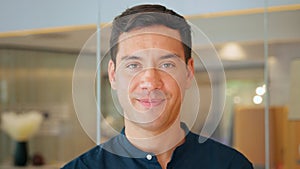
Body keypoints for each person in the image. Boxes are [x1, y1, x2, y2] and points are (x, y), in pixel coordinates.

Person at [62, 4, 253, 169]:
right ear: (113, 75)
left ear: (188, 72)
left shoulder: (231, 165)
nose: (151, 82)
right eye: (133, 65)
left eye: (166, 65)